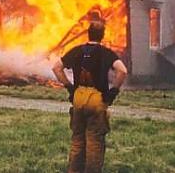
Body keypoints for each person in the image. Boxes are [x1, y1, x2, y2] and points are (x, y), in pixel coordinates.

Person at [52, 20, 128, 173]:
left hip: (78, 97)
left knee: (77, 141)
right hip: (96, 99)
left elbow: (56, 68)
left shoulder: (76, 51)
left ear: (88, 33)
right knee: (94, 142)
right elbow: (122, 71)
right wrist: (114, 90)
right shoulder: (106, 53)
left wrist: (69, 86)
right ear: (102, 35)